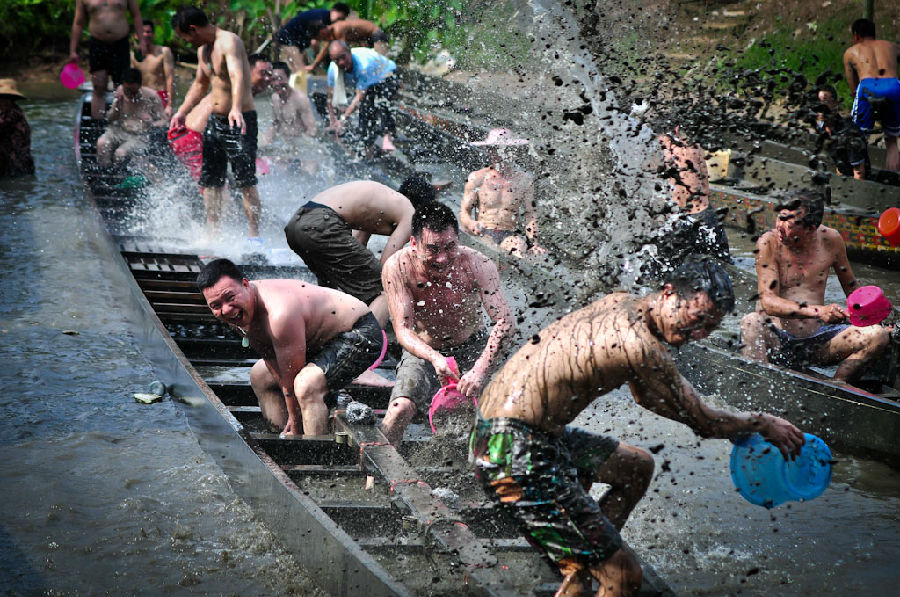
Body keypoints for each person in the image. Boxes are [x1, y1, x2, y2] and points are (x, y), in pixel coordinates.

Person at [471, 257, 805, 597]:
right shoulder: (642, 348)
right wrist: (763, 423)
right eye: (697, 319)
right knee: (625, 575)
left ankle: (584, 564)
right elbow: (703, 421)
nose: (698, 334)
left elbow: (648, 398)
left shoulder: (621, 302)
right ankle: (601, 569)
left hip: (502, 432)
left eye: (710, 328)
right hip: (513, 453)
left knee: (636, 466)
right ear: (669, 293)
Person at [198, 258, 387, 437]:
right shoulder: (237, 311)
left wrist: (296, 420)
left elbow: (292, 376)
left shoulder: (279, 313)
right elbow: (270, 356)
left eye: (230, 298)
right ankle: (279, 434)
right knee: (260, 376)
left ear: (245, 285)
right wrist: (291, 415)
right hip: (317, 341)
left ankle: (312, 456)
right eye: (216, 306)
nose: (226, 310)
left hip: (358, 332)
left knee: (306, 385)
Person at [380, 202, 513, 445]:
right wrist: (434, 358)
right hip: (423, 351)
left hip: (474, 346)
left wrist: (480, 370)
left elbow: (504, 322)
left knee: (508, 408)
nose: (442, 258)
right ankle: (375, 478)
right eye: (432, 249)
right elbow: (403, 329)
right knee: (399, 409)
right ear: (414, 243)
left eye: (450, 247)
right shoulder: (398, 267)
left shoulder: (478, 264)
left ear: (458, 240)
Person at [740, 189, 890, 383]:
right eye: (779, 218)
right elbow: (768, 302)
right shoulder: (768, 243)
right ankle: (758, 383)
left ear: (811, 229)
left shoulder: (831, 240)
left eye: (788, 223)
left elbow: (853, 291)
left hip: (817, 342)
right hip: (776, 339)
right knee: (751, 322)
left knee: (878, 336)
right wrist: (819, 311)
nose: (779, 227)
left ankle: (835, 387)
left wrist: (878, 316)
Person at [284, 176, 436, 327]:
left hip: (297, 224)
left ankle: (322, 334)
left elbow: (358, 243)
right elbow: (388, 266)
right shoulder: (410, 212)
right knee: (386, 287)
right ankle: (364, 345)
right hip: (321, 224)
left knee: (331, 288)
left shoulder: (384, 199)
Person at [169, 7, 261, 240]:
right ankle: (214, 233)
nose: (187, 42)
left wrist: (236, 108)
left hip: (239, 119)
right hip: (216, 121)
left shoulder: (229, 41)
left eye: (185, 37)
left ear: (193, 29)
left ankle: (254, 235)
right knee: (211, 180)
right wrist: (182, 111)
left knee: (245, 180)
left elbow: (237, 76)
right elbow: (200, 85)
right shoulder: (203, 51)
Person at [460, 128, 546, 257]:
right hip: (483, 231)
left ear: (513, 151)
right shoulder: (477, 178)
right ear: (489, 151)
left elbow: (530, 214)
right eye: (495, 150)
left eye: (504, 149)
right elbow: (464, 211)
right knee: (487, 245)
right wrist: (471, 223)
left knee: (518, 247)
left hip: (508, 234)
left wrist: (534, 244)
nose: (499, 155)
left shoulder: (524, 181)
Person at [657, 127, 731, 261]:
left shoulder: (660, 150)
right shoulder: (695, 146)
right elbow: (705, 185)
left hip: (679, 219)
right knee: (722, 264)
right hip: (705, 214)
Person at [70, 0, 147, 120]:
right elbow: (78, 22)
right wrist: (73, 50)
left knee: (123, 86)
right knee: (98, 86)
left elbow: (136, 15)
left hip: (120, 43)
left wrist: (142, 41)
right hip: (97, 44)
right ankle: (97, 125)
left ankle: (124, 121)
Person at [843, 17, 899, 172]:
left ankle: (857, 172)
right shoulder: (891, 46)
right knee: (892, 138)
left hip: (868, 86)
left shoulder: (851, 52)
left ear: (856, 36)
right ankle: (893, 167)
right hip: (893, 85)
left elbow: (853, 87)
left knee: (857, 136)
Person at [326, 41, 399, 154]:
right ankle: (367, 147)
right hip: (370, 81)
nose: (341, 62)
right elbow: (330, 97)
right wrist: (332, 121)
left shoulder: (364, 65)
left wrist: (343, 119)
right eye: (336, 60)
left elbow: (360, 96)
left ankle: (387, 138)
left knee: (380, 100)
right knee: (365, 111)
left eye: (343, 57)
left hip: (387, 74)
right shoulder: (332, 70)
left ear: (349, 52)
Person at [96, 68, 166, 167]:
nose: (130, 95)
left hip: (139, 136)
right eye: (127, 90)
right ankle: (103, 171)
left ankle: (118, 176)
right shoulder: (120, 92)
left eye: (134, 91)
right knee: (102, 143)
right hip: (119, 130)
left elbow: (164, 121)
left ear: (140, 86)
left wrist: (151, 123)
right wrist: (116, 108)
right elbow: (110, 119)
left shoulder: (151, 96)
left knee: (120, 153)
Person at [813, 85, 870, 180]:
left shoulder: (848, 133)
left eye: (825, 102)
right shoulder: (823, 129)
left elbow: (859, 172)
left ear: (835, 103)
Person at [276, 3, 351, 72]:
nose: (338, 22)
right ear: (333, 11)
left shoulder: (326, 18)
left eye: (341, 20)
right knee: (300, 71)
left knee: (299, 70)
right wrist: (318, 58)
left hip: (298, 42)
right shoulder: (321, 19)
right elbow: (314, 43)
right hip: (288, 40)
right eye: (338, 18)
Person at [306, 18, 386, 72]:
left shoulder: (338, 29)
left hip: (376, 34)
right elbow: (324, 51)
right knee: (373, 67)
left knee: (382, 63)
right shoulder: (332, 34)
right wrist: (314, 65)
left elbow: (342, 50)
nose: (321, 40)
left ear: (322, 32)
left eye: (319, 38)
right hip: (368, 39)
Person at [131, 20, 175, 118]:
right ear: (136, 35)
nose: (145, 35)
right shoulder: (133, 56)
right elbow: (130, 82)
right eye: (142, 32)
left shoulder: (164, 52)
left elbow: (170, 79)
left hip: (160, 97)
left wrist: (170, 105)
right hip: (141, 98)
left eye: (148, 32)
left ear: (154, 34)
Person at [167, 95, 213, 185]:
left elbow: (198, 87)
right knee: (210, 185)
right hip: (193, 138)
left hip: (182, 133)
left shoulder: (218, 88)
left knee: (209, 185)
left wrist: (181, 112)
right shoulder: (239, 87)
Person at [267, 62, 317, 141]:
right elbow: (275, 124)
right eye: (273, 80)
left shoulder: (300, 99)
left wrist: (301, 146)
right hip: (284, 144)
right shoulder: (274, 97)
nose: (276, 83)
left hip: (300, 145)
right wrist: (268, 141)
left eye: (280, 79)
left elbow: (312, 129)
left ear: (288, 77)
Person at [0, 78, 35, 178]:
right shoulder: (12, 112)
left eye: (6, 98)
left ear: (12, 100)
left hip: (15, 166)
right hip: (18, 165)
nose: (2, 102)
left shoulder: (11, 115)